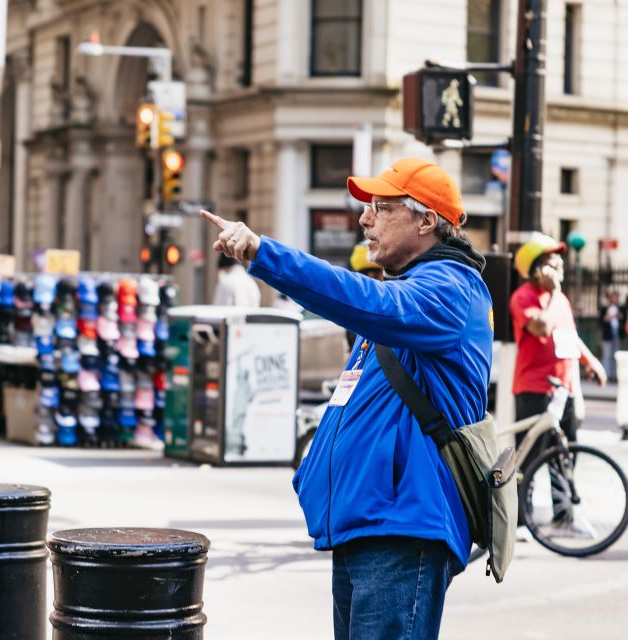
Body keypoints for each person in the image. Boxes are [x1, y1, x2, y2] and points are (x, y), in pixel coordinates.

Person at [202, 156, 492, 640]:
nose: (364, 219)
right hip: (371, 523)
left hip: (402, 527)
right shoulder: (411, 289)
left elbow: (365, 301)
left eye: (381, 207)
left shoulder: (450, 291)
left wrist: (262, 253)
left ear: (426, 220)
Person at [511, 234, 606, 462]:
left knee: (565, 456)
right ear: (537, 270)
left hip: (564, 389)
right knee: (529, 458)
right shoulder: (523, 297)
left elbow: (569, 337)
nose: (561, 265)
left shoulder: (561, 300)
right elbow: (542, 328)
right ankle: (524, 498)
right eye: (554, 262)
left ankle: (562, 498)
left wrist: (590, 361)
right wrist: (554, 293)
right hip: (535, 389)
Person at [598, 288, 624, 382]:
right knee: (607, 356)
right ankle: (606, 376)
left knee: (615, 356)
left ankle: (614, 375)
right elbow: (600, 322)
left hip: (616, 334)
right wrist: (607, 317)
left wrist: (619, 316)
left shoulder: (621, 309)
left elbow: (623, 320)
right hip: (607, 335)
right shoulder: (604, 309)